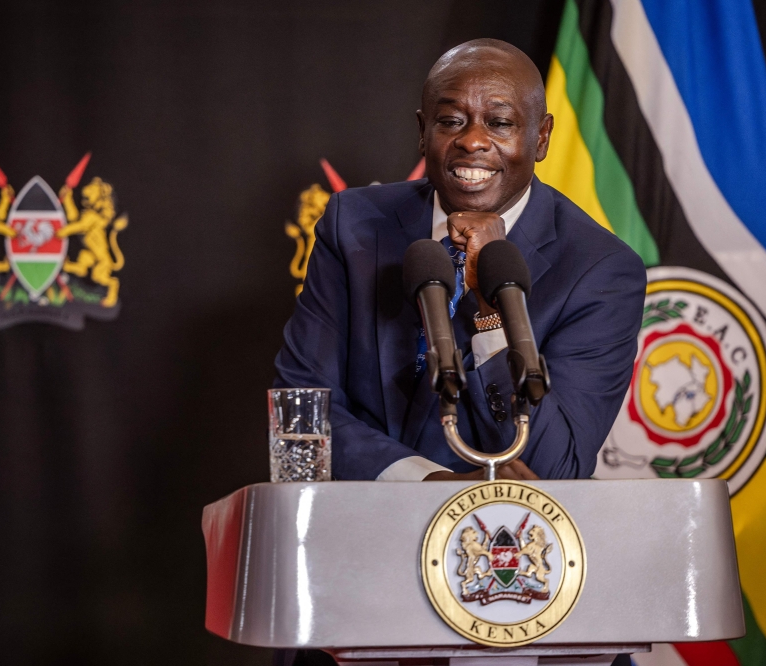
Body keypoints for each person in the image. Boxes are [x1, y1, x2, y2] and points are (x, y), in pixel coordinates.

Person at [275, 39, 646, 483]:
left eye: (500, 123)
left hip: (497, 541)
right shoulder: (352, 225)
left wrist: (493, 321)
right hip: (353, 529)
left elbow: (556, 470)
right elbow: (300, 419)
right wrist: (428, 485)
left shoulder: (599, 270)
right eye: (451, 120)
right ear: (422, 129)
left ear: (541, 137)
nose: (472, 140)